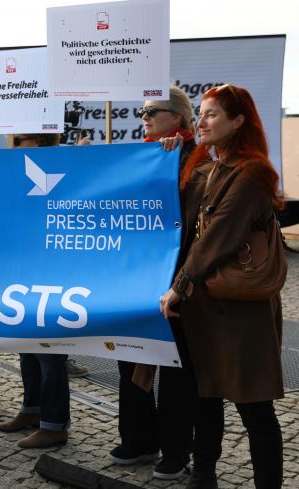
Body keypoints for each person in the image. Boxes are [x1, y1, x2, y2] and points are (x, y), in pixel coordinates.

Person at [161, 84, 284, 489]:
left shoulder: (253, 174)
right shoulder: (207, 168)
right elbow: (174, 204)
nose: (202, 120)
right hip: (206, 306)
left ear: (238, 121)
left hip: (242, 309)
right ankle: (204, 473)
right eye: (200, 113)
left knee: (254, 406)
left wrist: (179, 285)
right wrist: (168, 154)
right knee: (205, 395)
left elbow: (218, 235)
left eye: (212, 114)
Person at [109, 86, 198, 481]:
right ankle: (138, 437)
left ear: (177, 117)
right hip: (135, 276)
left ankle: (176, 450)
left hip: (176, 279)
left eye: (152, 111)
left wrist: (172, 160)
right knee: (130, 355)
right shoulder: (141, 154)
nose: (144, 117)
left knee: (175, 367)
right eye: (141, 111)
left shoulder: (196, 157)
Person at [0, 133, 71, 449]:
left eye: (23, 141)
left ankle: (54, 425)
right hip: (25, 272)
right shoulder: (16, 173)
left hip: (55, 274)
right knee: (27, 346)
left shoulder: (67, 167)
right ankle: (33, 409)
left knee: (50, 353)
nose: (17, 148)